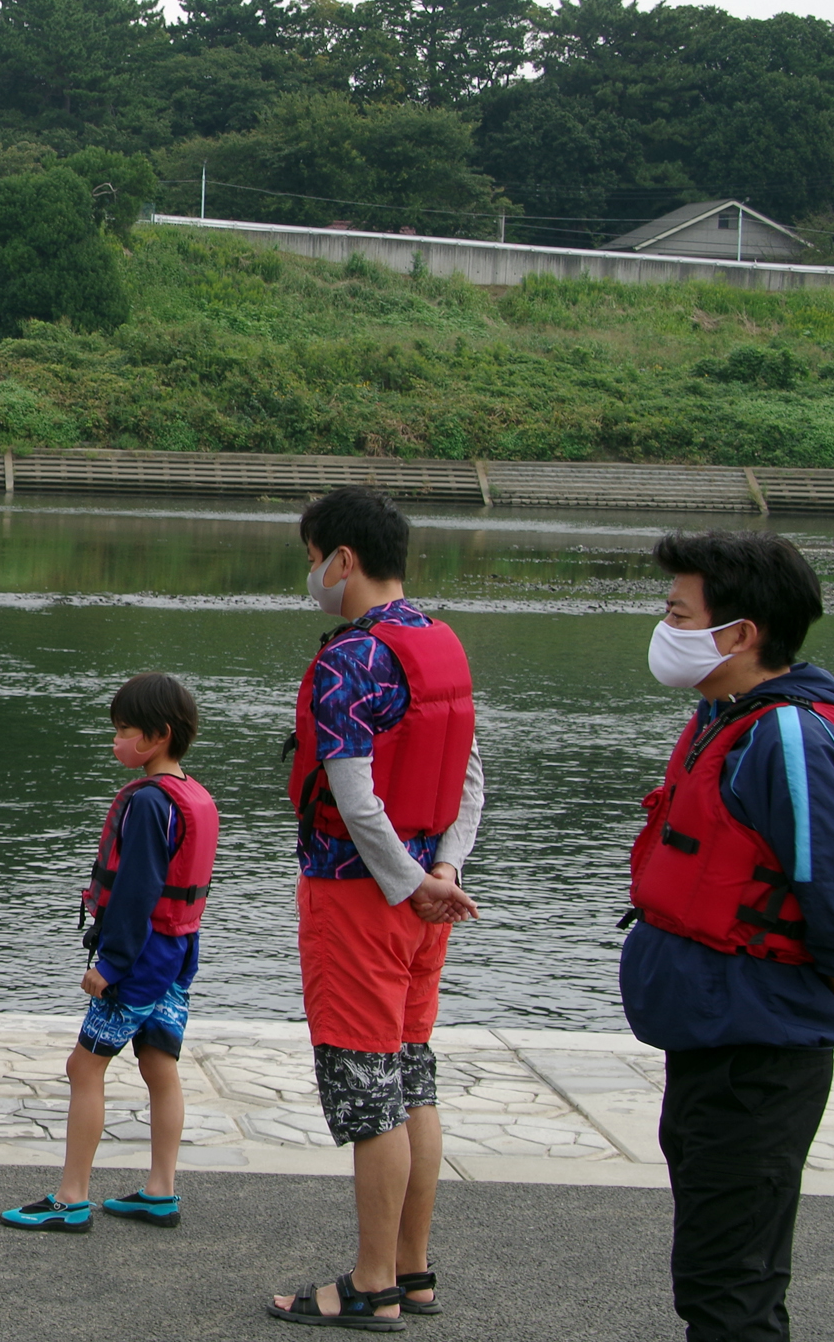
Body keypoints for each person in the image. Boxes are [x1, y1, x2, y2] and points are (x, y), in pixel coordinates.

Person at [622, 530, 834, 1342]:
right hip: (716, 1036)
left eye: (679, 612)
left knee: (728, 1288)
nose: (664, 625)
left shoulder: (788, 738)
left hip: (760, 1049)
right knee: (720, 1274)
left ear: (739, 635)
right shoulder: (725, 716)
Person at [266, 488, 483, 1330]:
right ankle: (413, 1268)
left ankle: (369, 1285)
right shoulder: (441, 642)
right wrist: (441, 872)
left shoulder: (349, 660)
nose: (311, 574)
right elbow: (470, 777)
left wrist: (403, 880)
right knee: (412, 1076)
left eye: (311, 555)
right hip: (426, 903)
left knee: (367, 1096)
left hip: (358, 899)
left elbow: (354, 798)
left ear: (342, 559)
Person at [2, 673, 217, 1234]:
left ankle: (71, 1197)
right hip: (176, 954)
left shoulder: (149, 804)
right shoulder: (190, 794)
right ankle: (159, 1191)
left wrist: (111, 965)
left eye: (123, 731)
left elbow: (138, 892)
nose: (115, 741)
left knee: (84, 1065)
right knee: (158, 1064)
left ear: (157, 736)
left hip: (140, 960)